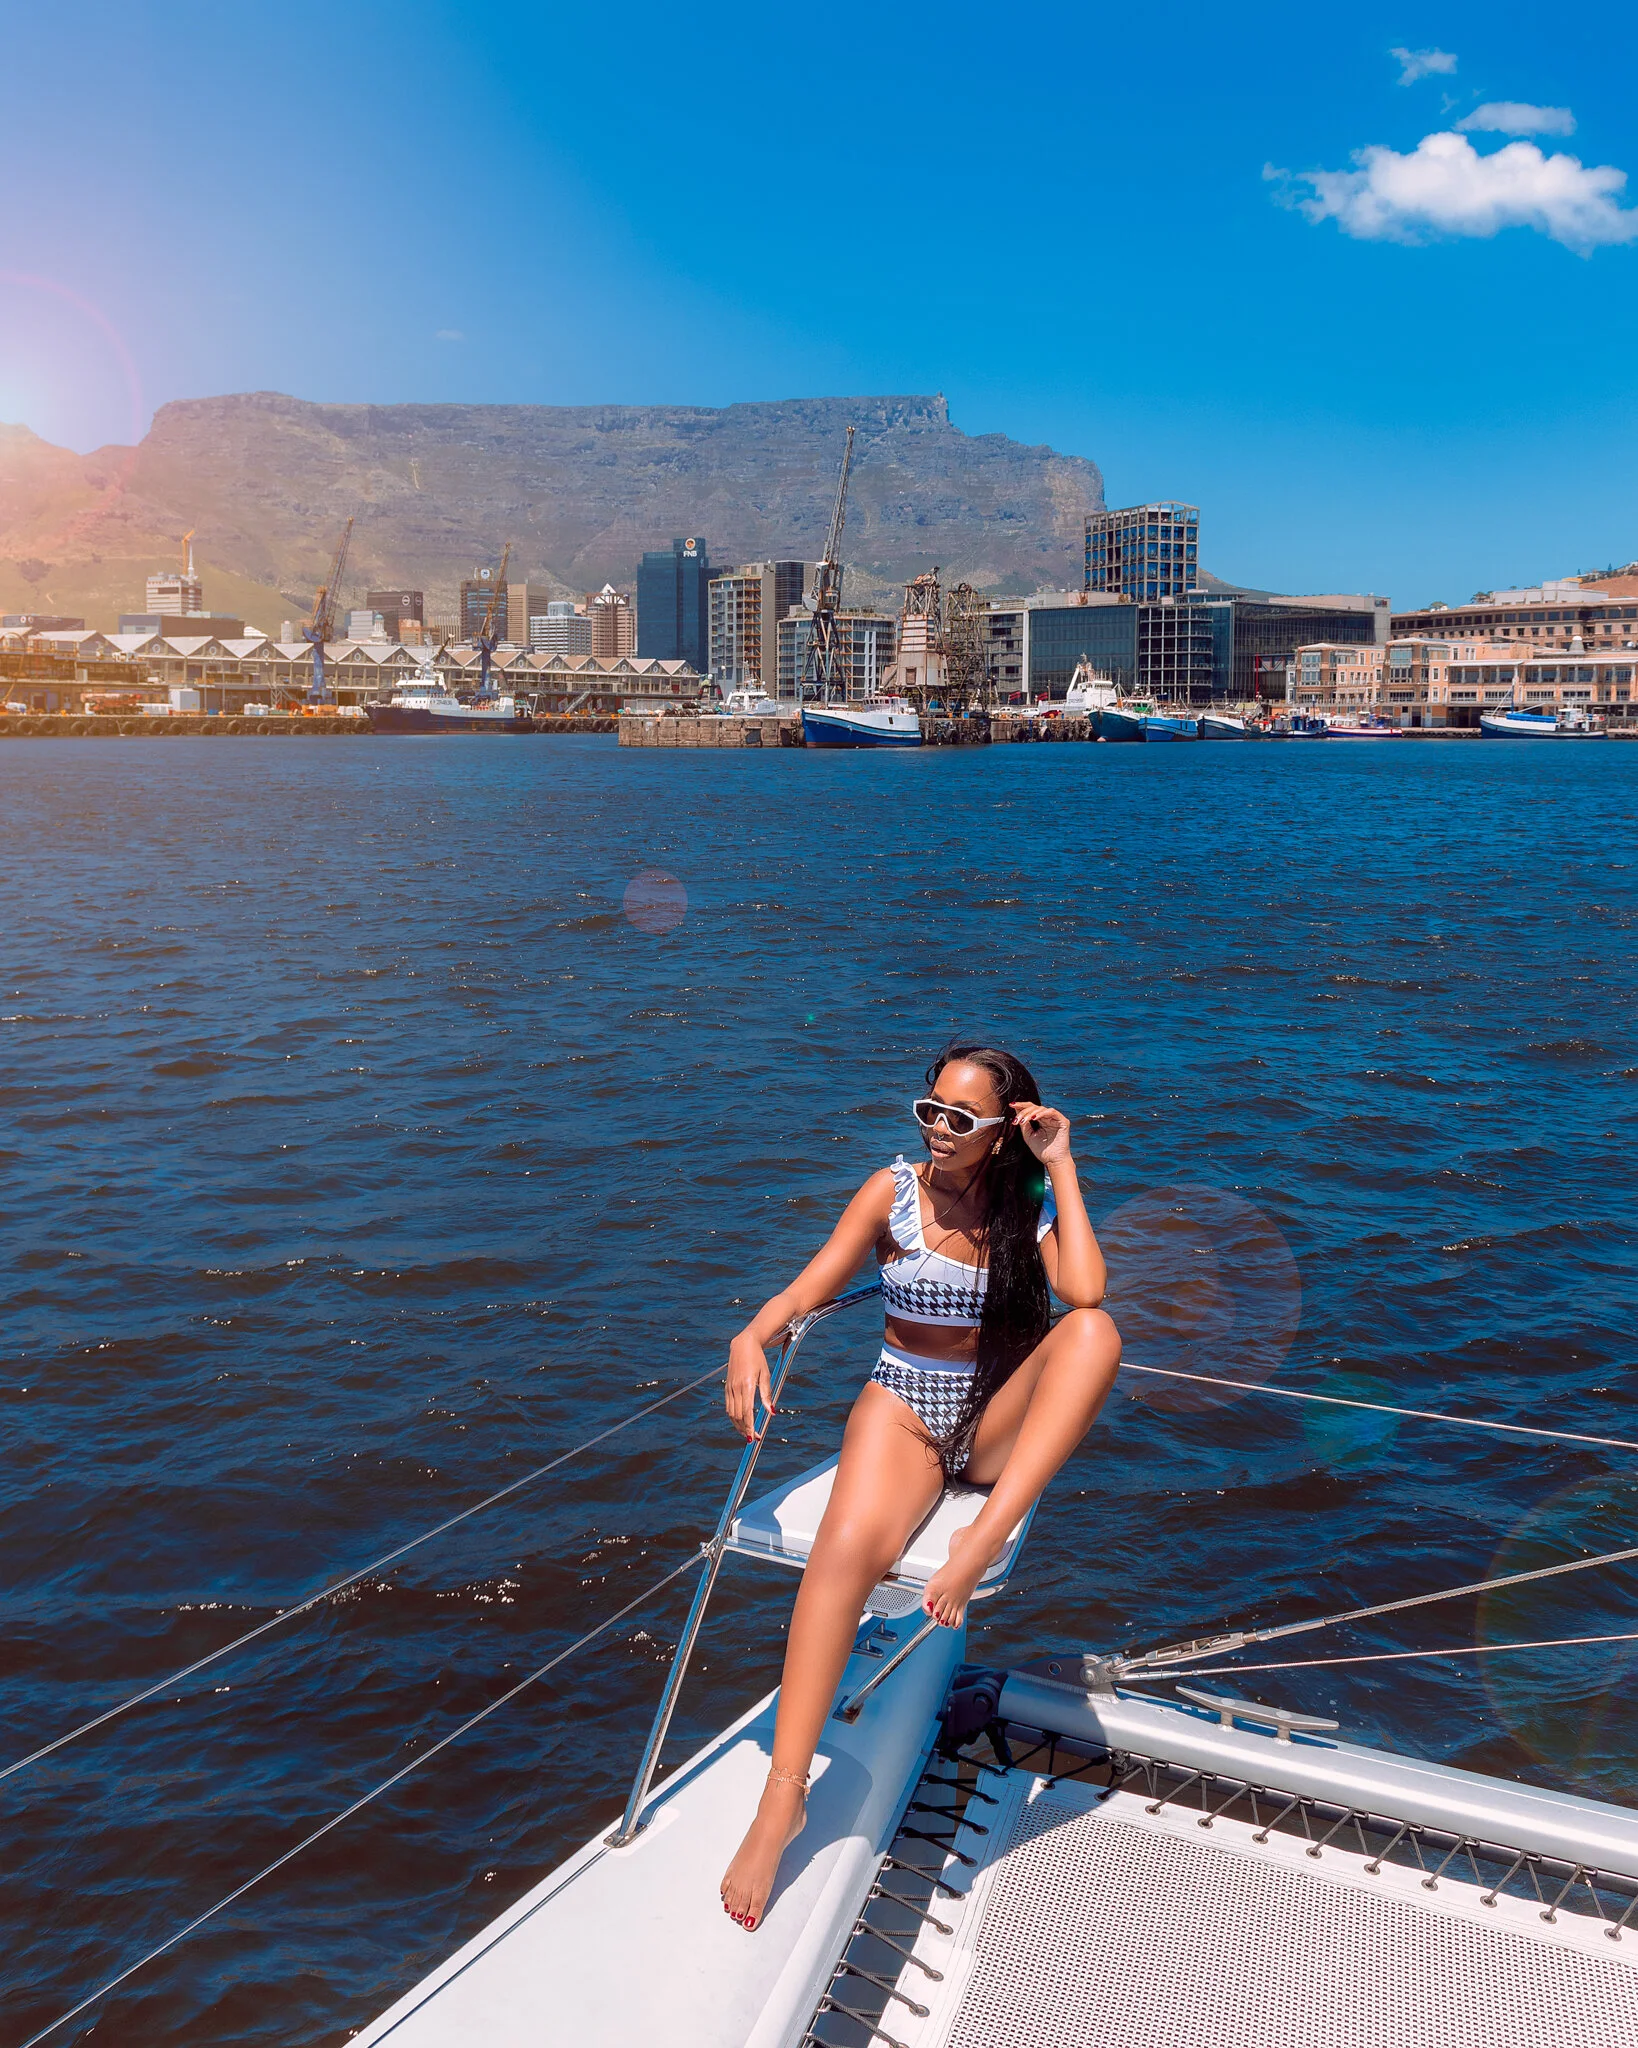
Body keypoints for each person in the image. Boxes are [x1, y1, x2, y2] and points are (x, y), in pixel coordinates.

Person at [718, 1040, 1119, 1932]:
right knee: (845, 1556)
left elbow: (1086, 1292)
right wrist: (754, 1333)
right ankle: (784, 1797)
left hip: (987, 1422)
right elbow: (813, 1285)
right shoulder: (889, 1191)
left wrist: (1060, 1166)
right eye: (929, 1109)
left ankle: (979, 1541)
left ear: (1004, 1130)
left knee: (1096, 1336)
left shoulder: (1027, 1205)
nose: (939, 1128)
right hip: (899, 1405)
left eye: (962, 1117)